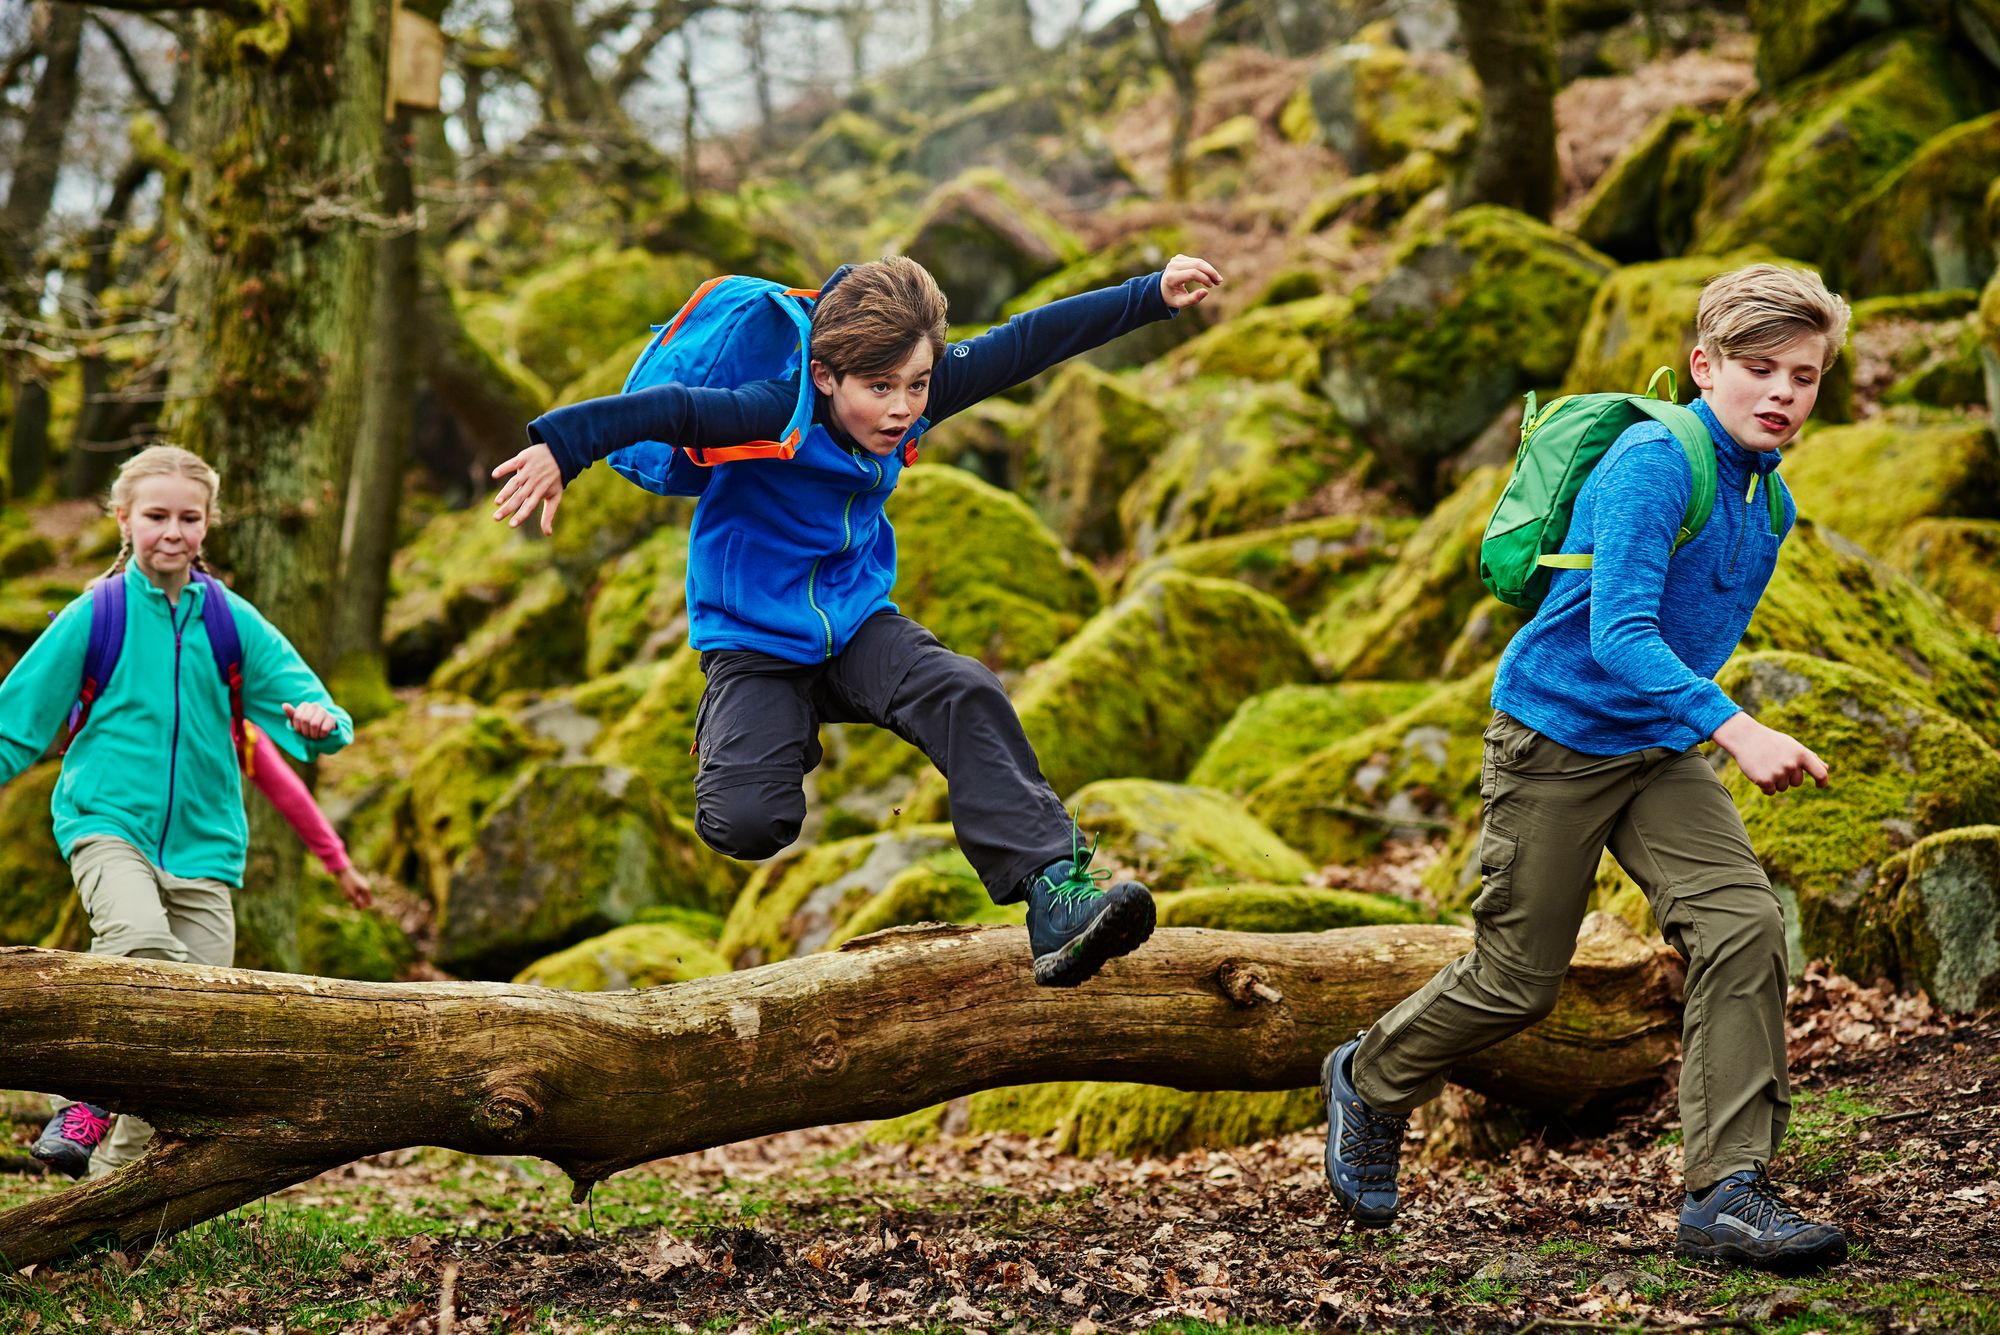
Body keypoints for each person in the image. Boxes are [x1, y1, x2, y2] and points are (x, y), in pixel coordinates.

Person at [1319, 263, 1853, 1272]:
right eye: (1756, 369)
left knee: (1741, 928)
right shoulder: (1653, 464)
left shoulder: (1767, 501)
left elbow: (1684, 641)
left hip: (1653, 750)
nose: (1780, 393)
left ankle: (1725, 1192)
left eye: (1802, 374)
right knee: (1516, 981)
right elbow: (1618, 635)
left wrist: (1696, 726)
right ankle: (1370, 1075)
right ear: (1703, 367)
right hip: (1554, 743)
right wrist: (1735, 728)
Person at [489, 253, 1222, 987]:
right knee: (748, 823)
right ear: (826, 376)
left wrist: (1149, 293)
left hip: (856, 624)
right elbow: (669, 409)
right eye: (880, 389)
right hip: (754, 644)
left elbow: (1027, 340)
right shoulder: (767, 408)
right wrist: (561, 445)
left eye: (917, 384)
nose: (903, 408)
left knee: (964, 689)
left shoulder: (921, 386)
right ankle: (759, 725)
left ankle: (1056, 897)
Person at [0, 445, 354, 1179]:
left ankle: (111, 1211)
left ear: (208, 525)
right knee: (136, 941)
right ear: (124, 520)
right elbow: (18, 720)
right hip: (105, 822)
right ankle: (87, 1099)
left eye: (189, 517)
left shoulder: (230, 621)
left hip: (206, 848)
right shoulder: (94, 615)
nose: (173, 531)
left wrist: (319, 721)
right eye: (156, 515)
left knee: (186, 1033)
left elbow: (311, 703)